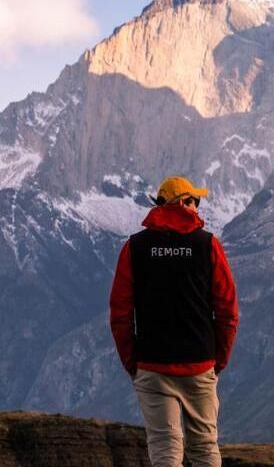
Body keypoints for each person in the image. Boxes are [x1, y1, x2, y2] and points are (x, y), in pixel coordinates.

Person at [109, 175, 238, 467]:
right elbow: (228, 310)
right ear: (182, 203)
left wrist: (133, 362)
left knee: (164, 450)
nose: (197, 207)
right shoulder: (207, 245)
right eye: (194, 201)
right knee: (205, 448)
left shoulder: (135, 248)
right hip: (199, 363)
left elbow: (120, 312)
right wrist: (218, 360)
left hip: (152, 365)